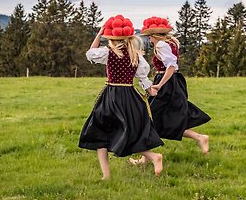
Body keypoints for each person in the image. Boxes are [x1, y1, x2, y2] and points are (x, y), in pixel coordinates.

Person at [78, 14, 163, 179]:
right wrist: (150, 91)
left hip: (111, 96)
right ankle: (152, 156)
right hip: (130, 96)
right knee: (127, 132)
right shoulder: (136, 56)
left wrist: (99, 34)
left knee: (100, 132)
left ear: (111, 38)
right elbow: (143, 79)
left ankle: (107, 176)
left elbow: (90, 53)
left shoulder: (107, 53)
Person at [130, 16, 211, 165]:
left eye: (149, 36)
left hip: (166, 83)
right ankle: (199, 138)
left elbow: (171, 66)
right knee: (163, 120)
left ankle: (147, 158)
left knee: (149, 116)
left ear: (153, 35)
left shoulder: (161, 45)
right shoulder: (171, 42)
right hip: (173, 82)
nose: (149, 40)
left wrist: (160, 85)